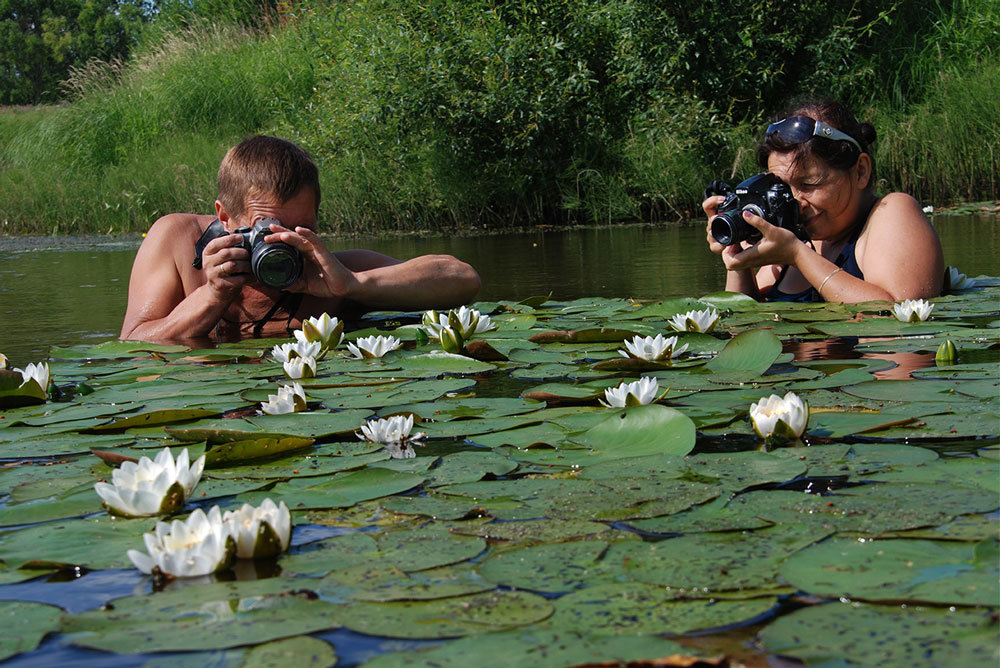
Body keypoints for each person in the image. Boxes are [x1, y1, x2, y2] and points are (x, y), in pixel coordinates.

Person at [121, 136, 481, 342]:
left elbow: (462, 278)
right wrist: (212, 294)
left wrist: (352, 284)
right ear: (225, 217)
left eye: (301, 228)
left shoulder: (329, 272)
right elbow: (132, 343)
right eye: (268, 227)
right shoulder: (179, 243)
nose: (285, 242)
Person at [703, 99, 943, 303]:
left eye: (809, 185)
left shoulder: (892, 212)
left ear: (860, 171)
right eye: (783, 187)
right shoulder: (793, 239)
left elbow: (903, 317)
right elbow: (745, 332)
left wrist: (798, 255)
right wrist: (738, 256)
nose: (796, 201)